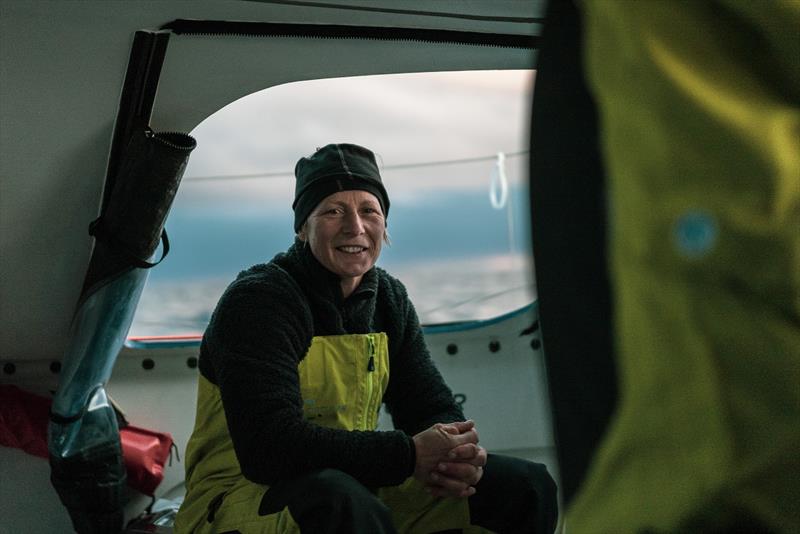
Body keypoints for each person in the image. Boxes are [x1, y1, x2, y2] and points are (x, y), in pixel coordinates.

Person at [174, 143, 558, 533]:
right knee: (342, 504)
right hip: (241, 496)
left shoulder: (388, 299)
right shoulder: (260, 301)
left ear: (384, 225)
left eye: (368, 210)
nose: (354, 227)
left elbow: (428, 404)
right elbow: (269, 449)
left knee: (526, 487)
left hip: (351, 478)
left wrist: (453, 456)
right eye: (333, 210)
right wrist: (408, 456)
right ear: (302, 228)